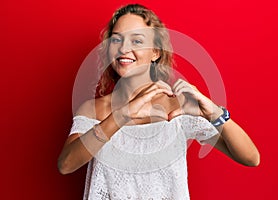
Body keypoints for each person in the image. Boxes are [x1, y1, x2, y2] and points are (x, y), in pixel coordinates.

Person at [58, 4, 260, 199]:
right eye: (116, 40)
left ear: (155, 52)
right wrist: (121, 115)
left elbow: (251, 158)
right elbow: (66, 165)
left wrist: (214, 113)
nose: (124, 48)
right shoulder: (94, 109)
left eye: (137, 41)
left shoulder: (177, 108)